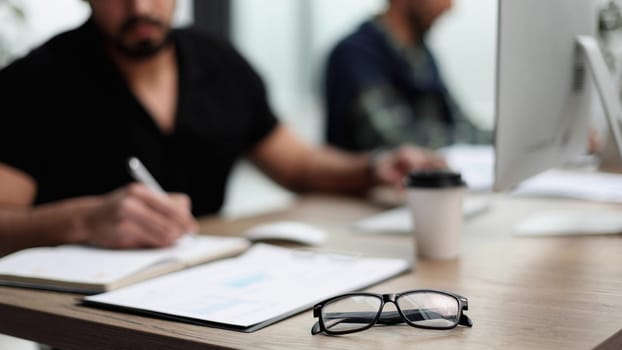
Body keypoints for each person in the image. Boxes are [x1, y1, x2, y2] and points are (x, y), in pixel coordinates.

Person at [0, 0, 446, 256]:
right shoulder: (33, 83)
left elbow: (298, 164)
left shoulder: (218, 62)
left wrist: (372, 168)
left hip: (209, 300)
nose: (139, 7)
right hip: (88, 324)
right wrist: (84, 220)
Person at [325, 0, 491, 152]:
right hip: (380, 185)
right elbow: (396, 142)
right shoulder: (355, 55)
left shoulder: (421, 56)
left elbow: (461, 124)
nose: (449, 6)